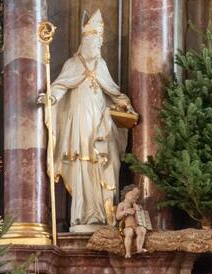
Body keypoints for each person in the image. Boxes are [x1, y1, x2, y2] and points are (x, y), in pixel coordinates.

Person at [45, 10, 134, 229]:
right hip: (80, 123)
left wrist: (125, 104)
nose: (98, 47)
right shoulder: (73, 64)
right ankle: (83, 214)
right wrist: (51, 97)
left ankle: (102, 214)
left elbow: (114, 92)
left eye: (100, 44)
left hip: (100, 124)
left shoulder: (101, 65)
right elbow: (59, 86)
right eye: (95, 43)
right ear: (86, 42)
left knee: (103, 162)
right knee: (81, 163)